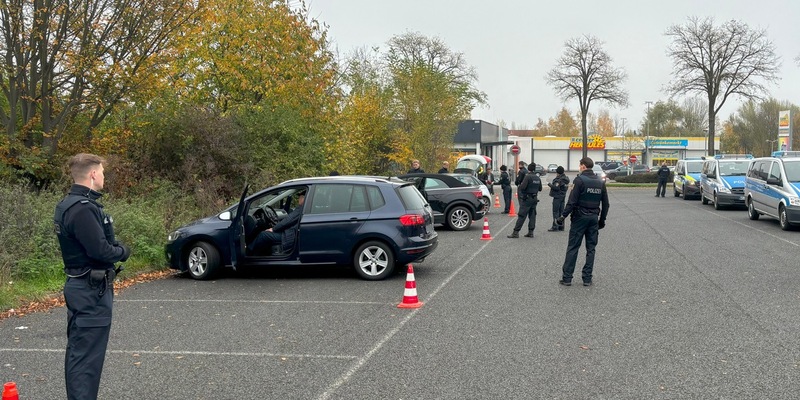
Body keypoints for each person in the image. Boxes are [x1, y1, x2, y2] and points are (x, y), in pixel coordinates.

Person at [54, 153, 131, 400]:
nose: (104, 177)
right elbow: (100, 251)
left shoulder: (71, 204)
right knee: (85, 359)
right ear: (93, 174)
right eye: (103, 172)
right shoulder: (82, 209)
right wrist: (123, 251)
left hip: (85, 288)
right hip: (90, 290)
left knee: (84, 353)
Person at [557, 157, 609, 287]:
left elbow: (572, 201)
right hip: (593, 218)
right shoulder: (600, 181)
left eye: (580, 165)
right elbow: (606, 204)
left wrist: (563, 216)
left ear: (583, 166)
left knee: (573, 247)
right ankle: (587, 278)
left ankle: (567, 278)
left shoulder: (579, 180)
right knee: (591, 249)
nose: (579, 167)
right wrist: (601, 220)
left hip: (580, 218)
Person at [508, 163, 542, 238]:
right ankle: (531, 232)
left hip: (527, 198)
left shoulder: (528, 177)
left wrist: (521, 188)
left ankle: (515, 232)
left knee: (522, 215)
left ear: (529, 169)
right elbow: (540, 188)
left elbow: (522, 187)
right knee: (532, 215)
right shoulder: (537, 178)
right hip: (534, 198)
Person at [547, 166, 570, 231]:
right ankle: (561, 226)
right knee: (561, 212)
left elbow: (556, 188)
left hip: (557, 197)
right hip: (563, 196)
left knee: (555, 212)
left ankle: (555, 226)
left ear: (558, 172)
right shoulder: (566, 179)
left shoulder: (558, 180)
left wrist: (549, 184)